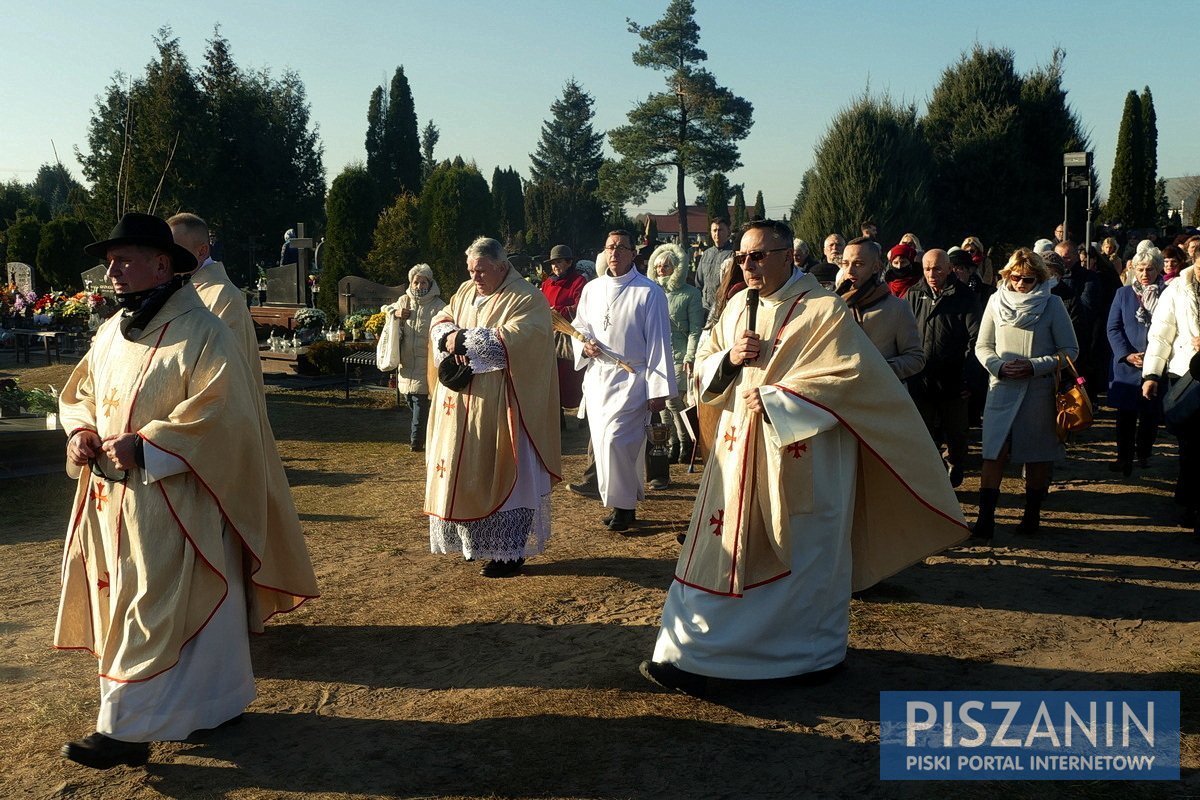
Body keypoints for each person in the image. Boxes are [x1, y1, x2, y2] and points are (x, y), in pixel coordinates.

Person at [639, 219, 966, 695]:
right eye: (743, 258)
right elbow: (706, 363)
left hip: (803, 457)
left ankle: (805, 655)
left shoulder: (823, 309)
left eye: (758, 256)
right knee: (721, 550)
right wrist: (729, 359)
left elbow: (853, 377)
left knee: (800, 557)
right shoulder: (735, 305)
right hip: (736, 458)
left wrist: (780, 398)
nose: (748, 266)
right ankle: (693, 653)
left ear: (786, 256)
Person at [56, 213, 318, 769]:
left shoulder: (202, 330)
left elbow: (224, 412)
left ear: (161, 264)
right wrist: (81, 431)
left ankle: (125, 729)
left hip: (178, 499)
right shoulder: (111, 331)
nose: (113, 272)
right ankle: (217, 702)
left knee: (155, 605)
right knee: (159, 607)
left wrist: (149, 445)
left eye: (124, 260)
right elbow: (80, 391)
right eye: (110, 262)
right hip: (115, 501)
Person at [425, 238, 560, 577]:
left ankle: (508, 552)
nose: (476, 278)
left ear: (502, 266)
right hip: (463, 405)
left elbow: (522, 339)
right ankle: (475, 544)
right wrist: (447, 334)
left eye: (482, 271)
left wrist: (465, 339)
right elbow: (443, 317)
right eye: (471, 271)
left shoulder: (527, 298)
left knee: (501, 473)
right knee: (467, 475)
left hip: (505, 407)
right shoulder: (466, 291)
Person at [972, 249, 1079, 542]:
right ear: (1006, 276)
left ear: (1039, 279)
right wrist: (999, 366)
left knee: (1037, 457)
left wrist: (1034, 366)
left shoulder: (1053, 304)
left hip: (1038, 391)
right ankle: (985, 520)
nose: (1020, 283)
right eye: (1015, 277)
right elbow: (983, 345)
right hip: (1002, 387)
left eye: (1028, 279)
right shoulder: (996, 301)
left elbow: (1070, 351)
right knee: (993, 454)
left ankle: (1031, 516)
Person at [573, 230, 675, 532]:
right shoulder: (592, 289)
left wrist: (658, 390)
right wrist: (585, 344)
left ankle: (624, 506)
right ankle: (621, 500)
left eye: (620, 248)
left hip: (633, 377)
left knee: (619, 441)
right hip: (599, 379)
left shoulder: (649, 292)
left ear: (634, 253)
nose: (614, 253)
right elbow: (580, 326)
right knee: (605, 444)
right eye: (609, 248)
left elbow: (659, 342)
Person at [907, 249, 982, 488]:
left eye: (937, 268)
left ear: (949, 268)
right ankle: (932, 478)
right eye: (927, 268)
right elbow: (905, 332)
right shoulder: (913, 294)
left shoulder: (965, 297)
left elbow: (976, 340)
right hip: (921, 378)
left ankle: (956, 464)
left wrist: (969, 379)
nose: (931, 274)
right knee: (924, 434)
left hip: (954, 380)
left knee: (957, 434)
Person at [1142, 248, 1200, 530]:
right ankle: (1189, 503)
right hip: (1186, 374)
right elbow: (1161, 333)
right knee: (1190, 445)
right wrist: (1151, 374)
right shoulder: (1177, 290)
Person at [168, 213, 260, 376]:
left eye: (176, 250)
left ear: (202, 251)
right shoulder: (178, 288)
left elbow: (225, 368)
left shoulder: (224, 296)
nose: (168, 258)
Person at [1107, 247, 1164, 476]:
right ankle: (1124, 457)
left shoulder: (1168, 293)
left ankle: (1144, 453)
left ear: (1158, 269)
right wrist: (1126, 354)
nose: (1144, 273)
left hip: (1156, 362)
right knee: (1125, 415)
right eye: (1140, 269)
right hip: (1127, 364)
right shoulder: (1123, 294)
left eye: (1149, 269)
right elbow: (1113, 328)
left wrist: (1154, 357)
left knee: (1150, 414)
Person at [838, 238, 925, 382]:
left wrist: (883, 369)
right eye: (845, 264)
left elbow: (916, 358)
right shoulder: (834, 305)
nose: (850, 270)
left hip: (883, 397)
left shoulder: (897, 308)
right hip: (840, 398)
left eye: (858, 264)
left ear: (876, 267)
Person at [650, 242, 704, 465]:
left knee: (674, 401)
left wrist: (690, 357)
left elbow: (695, 329)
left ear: (676, 267)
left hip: (680, 355)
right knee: (661, 403)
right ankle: (670, 444)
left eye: (667, 266)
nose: (661, 269)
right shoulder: (652, 292)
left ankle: (686, 442)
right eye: (659, 266)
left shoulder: (691, 294)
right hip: (658, 355)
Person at [388, 264, 447, 451]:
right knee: (410, 400)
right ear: (411, 283)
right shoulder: (404, 301)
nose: (419, 286)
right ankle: (428, 430)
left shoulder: (438, 306)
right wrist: (395, 314)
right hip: (406, 363)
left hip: (426, 364)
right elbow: (385, 311)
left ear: (430, 284)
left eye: (423, 282)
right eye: (416, 282)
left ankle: (416, 442)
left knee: (420, 404)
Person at [539, 245, 588, 422]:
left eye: (558, 262)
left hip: (570, 336)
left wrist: (560, 312)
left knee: (573, 377)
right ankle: (557, 417)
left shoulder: (578, 281)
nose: (555, 266)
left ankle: (583, 414)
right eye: (552, 263)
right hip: (549, 336)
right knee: (553, 377)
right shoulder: (547, 283)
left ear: (569, 262)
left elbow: (581, 307)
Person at [695, 217, 733, 313]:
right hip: (705, 307)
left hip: (724, 308)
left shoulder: (732, 254)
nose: (717, 234)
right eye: (714, 230)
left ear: (728, 231)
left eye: (720, 230)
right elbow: (699, 282)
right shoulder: (706, 254)